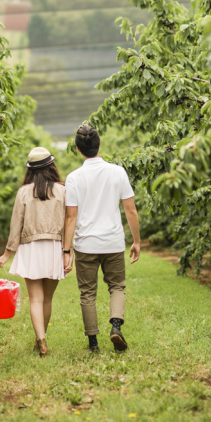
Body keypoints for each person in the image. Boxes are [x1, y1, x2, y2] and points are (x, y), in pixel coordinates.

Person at [62, 125, 140, 353]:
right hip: (113, 241)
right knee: (117, 286)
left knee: (87, 293)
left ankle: (93, 344)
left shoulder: (74, 178)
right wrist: (136, 241)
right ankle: (116, 326)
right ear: (100, 144)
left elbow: (71, 217)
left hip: (86, 244)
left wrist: (67, 251)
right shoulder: (118, 172)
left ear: (78, 149)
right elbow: (130, 209)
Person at [0, 146, 66, 357]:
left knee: (35, 299)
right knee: (47, 299)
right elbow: (70, 221)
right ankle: (41, 338)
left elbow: (16, 224)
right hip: (54, 246)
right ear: (51, 166)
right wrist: (69, 250)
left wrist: (7, 254)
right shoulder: (62, 190)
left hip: (31, 248)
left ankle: (41, 340)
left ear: (30, 170)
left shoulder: (24, 192)